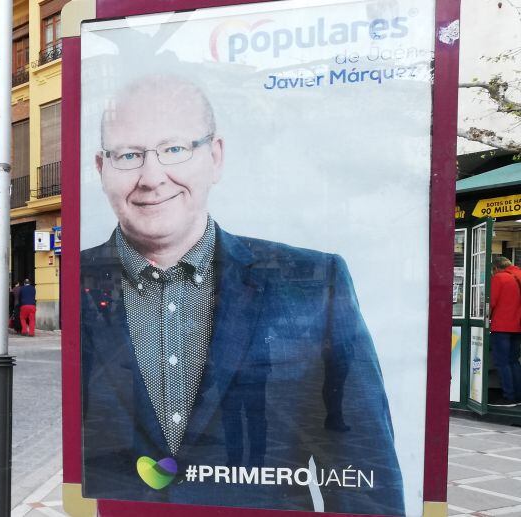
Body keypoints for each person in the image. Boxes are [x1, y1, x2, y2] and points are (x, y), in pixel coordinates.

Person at [80, 76, 403, 515]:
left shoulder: (312, 282)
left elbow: (364, 472)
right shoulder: (75, 285)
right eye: (128, 155)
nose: (152, 177)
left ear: (215, 157)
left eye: (174, 149)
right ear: (101, 168)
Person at [489, 256, 521, 406]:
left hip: (502, 327)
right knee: (513, 361)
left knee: (502, 363)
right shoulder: (518, 276)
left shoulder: (499, 278)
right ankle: (518, 396)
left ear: (496, 268)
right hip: (518, 327)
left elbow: (491, 302)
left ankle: (509, 397)